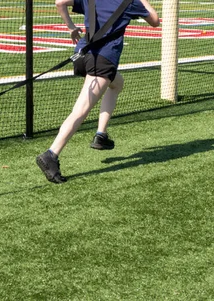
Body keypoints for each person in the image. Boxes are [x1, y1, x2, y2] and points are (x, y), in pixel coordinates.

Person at [36, 0, 160, 184]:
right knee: (80, 111)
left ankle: (101, 135)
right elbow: (155, 21)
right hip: (102, 61)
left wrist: (71, 27)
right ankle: (51, 154)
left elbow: (60, 2)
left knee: (117, 83)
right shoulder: (130, 2)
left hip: (82, 55)